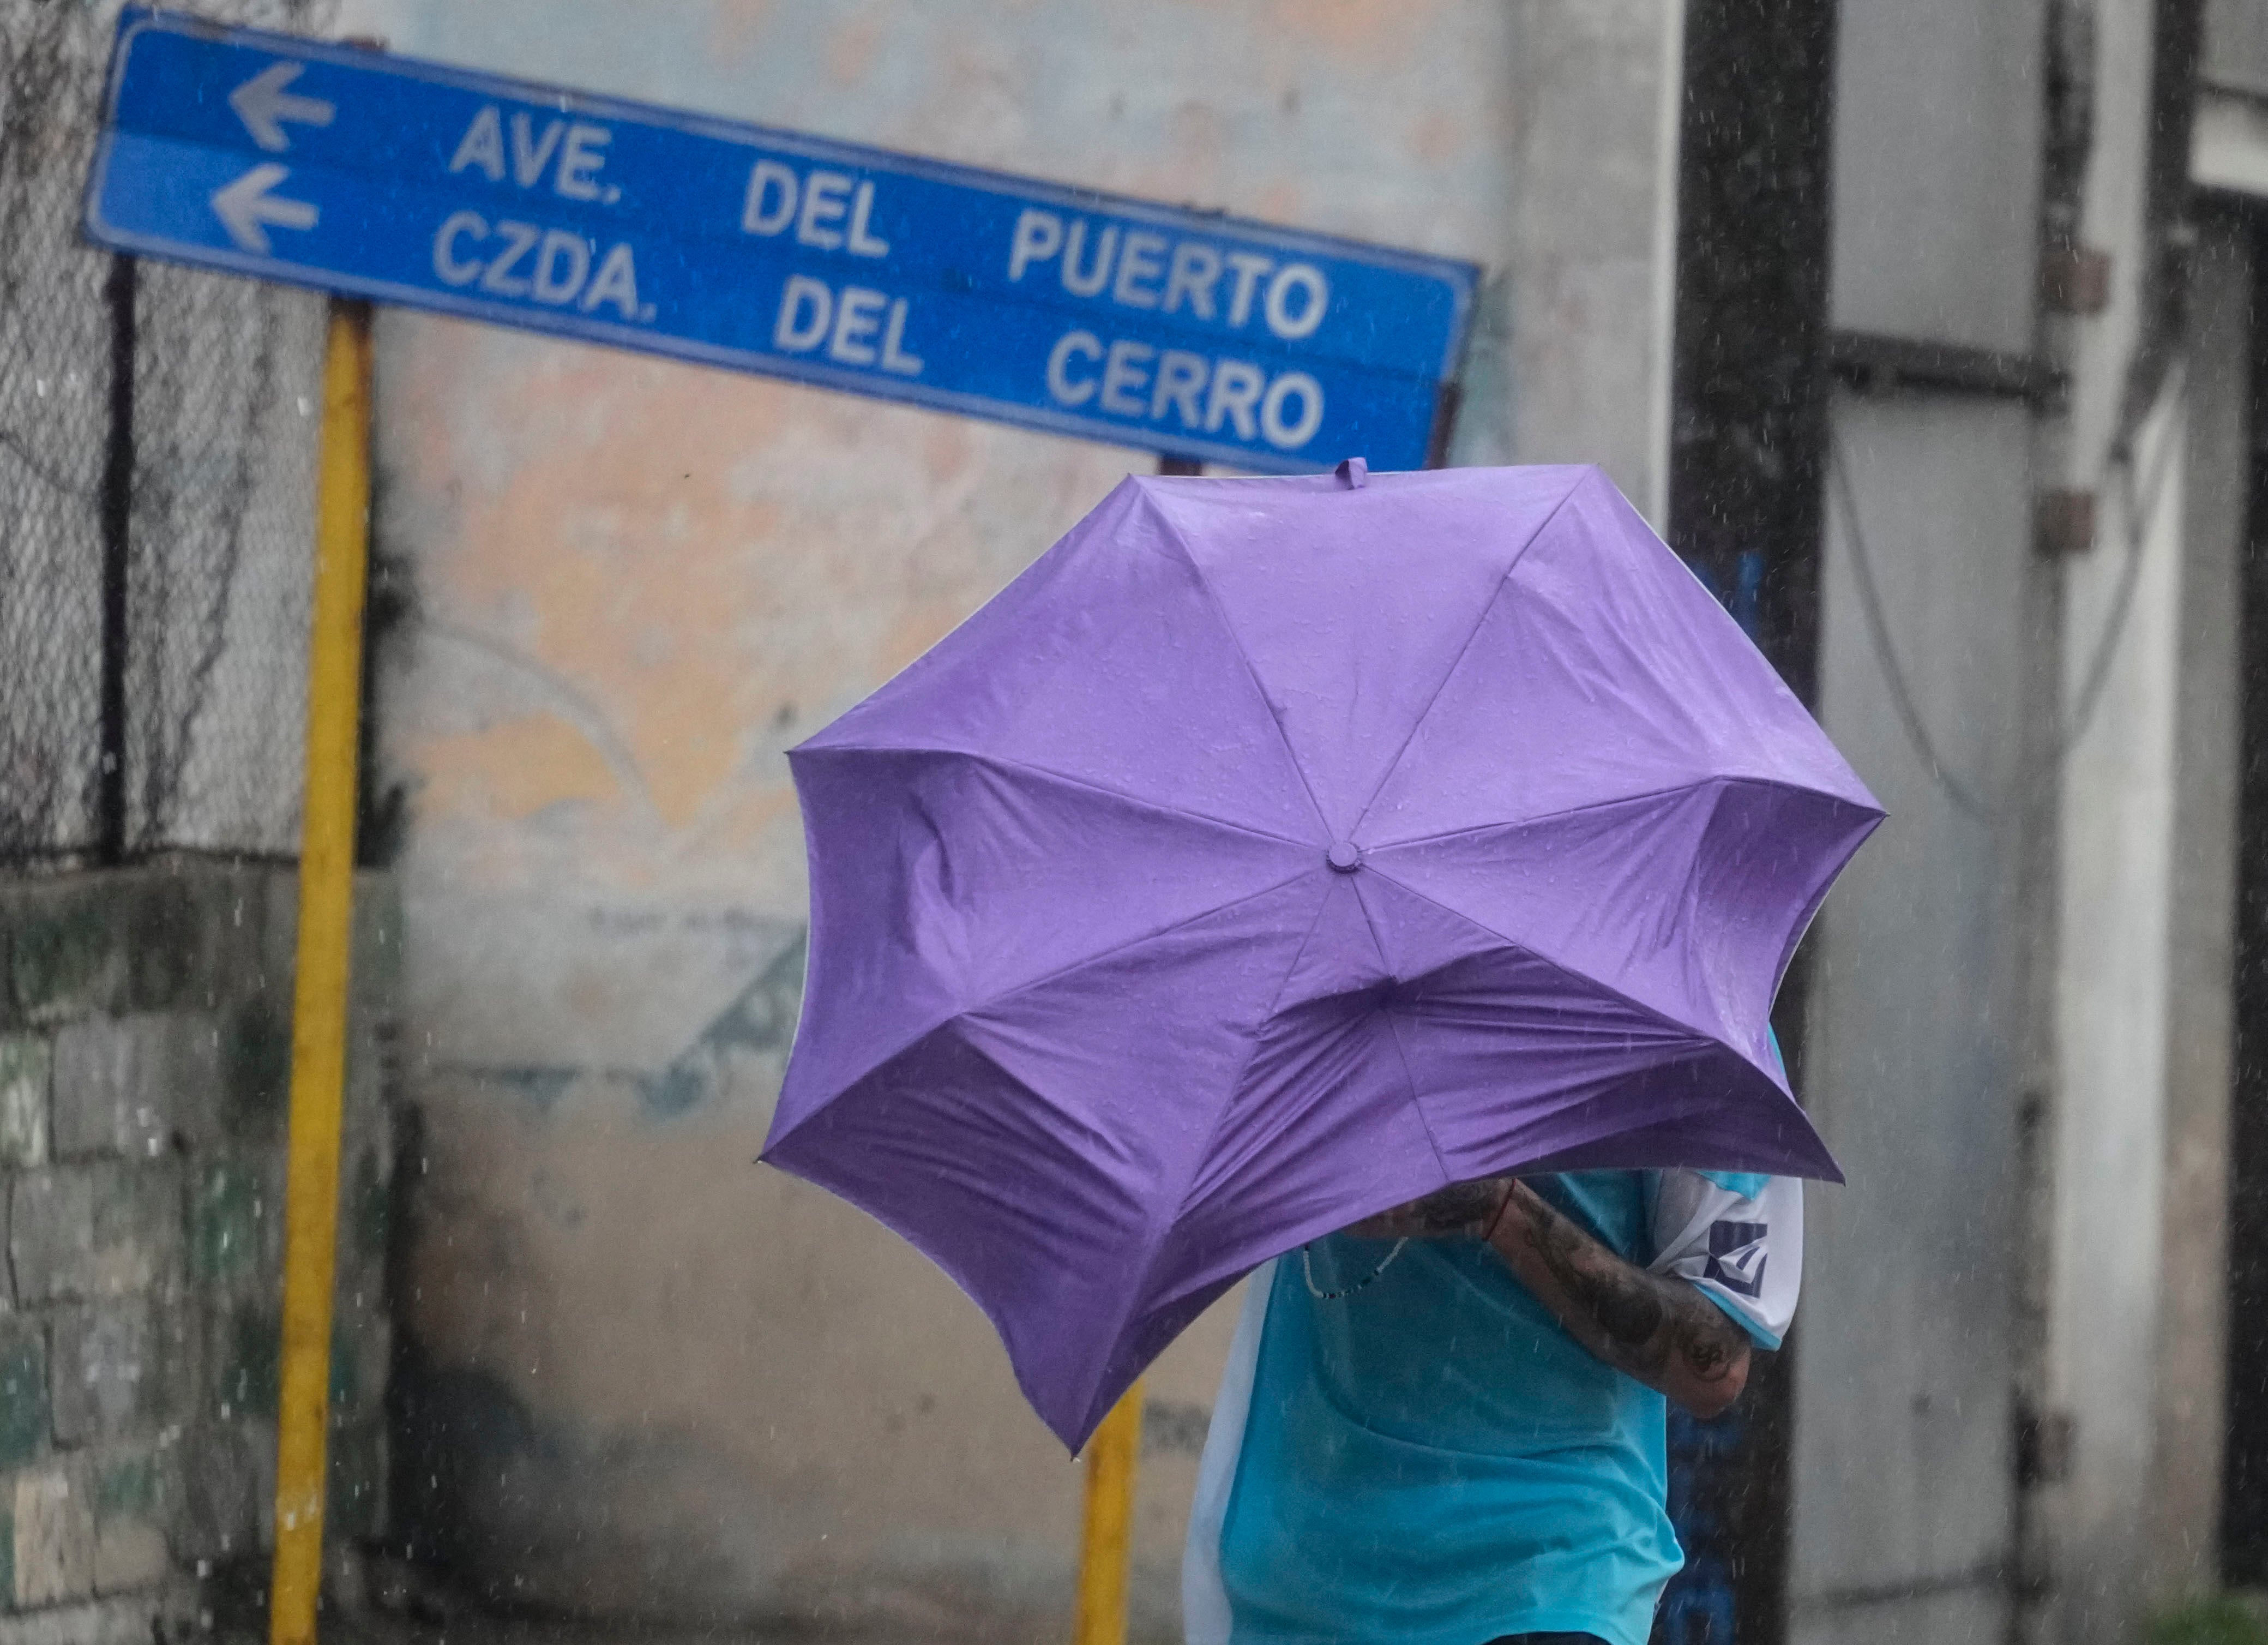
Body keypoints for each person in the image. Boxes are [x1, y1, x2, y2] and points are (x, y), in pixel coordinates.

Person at [1182, 1163, 1800, 1645]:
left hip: (1546, 1573)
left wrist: (1502, 1211)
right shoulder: (1316, 1004)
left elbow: (1713, 1359)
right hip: (1309, 1575)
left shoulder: (1690, 1020)